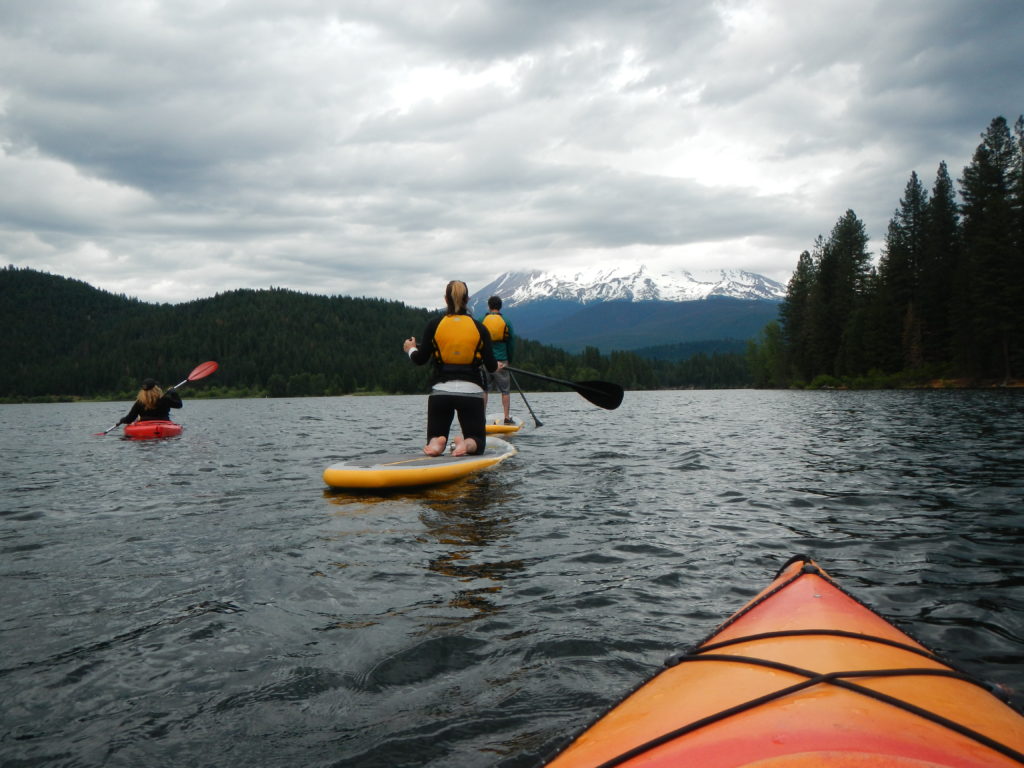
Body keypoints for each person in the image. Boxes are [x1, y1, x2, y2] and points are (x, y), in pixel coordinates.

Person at [403, 280, 497, 457]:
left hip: (441, 392)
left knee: (435, 434)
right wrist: (496, 365)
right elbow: (491, 366)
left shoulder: (434, 324)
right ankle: (466, 444)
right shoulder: (480, 328)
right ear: (467, 299)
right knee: (477, 440)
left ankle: (436, 443)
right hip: (471, 392)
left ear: (446, 299)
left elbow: (420, 359)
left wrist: (411, 349)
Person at [479, 295, 516, 424]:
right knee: (505, 391)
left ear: (489, 307)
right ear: (500, 307)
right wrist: (509, 359)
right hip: (502, 361)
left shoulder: (481, 320)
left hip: (485, 362)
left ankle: (481, 418)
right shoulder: (506, 321)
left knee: (484, 389)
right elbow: (511, 343)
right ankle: (506, 417)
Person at [117, 378, 183, 425]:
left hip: (144, 425)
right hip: (163, 423)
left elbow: (130, 419)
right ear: (156, 389)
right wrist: (174, 393)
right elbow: (179, 405)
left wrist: (123, 420)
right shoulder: (164, 399)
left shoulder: (140, 402)